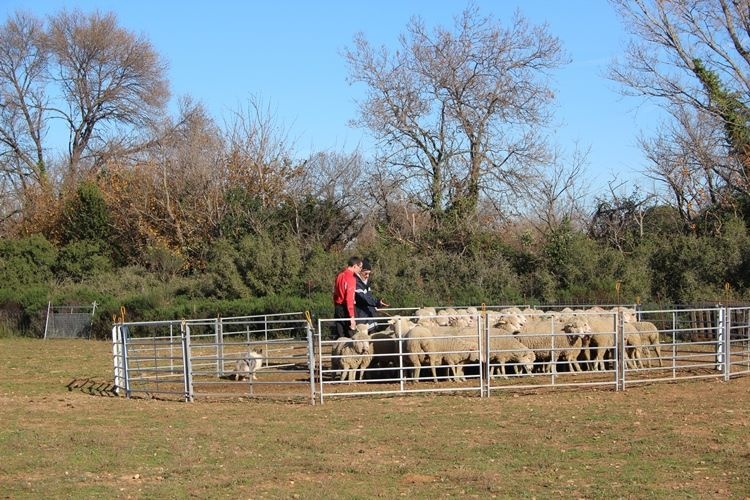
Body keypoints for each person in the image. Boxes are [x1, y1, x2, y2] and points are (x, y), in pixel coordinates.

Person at [354, 258, 390, 332]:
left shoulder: (366, 283)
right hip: (361, 316)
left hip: (369, 315)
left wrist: (375, 307)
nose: (367, 276)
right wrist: (377, 303)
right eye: (365, 273)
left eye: (369, 274)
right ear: (360, 271)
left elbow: (369, 297)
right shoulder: (356, 283)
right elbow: (364, 298)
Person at [332, 256, 362, 339]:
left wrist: (336, 305)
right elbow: (349, 298)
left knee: (340, 335)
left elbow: (335, 293)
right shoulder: (351, 278)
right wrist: (352, 317)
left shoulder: (339, 275)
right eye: (360, 267)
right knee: (351, 335)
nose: (360, 270)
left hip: (338, 307)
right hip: (346, 309)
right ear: (355, 266)